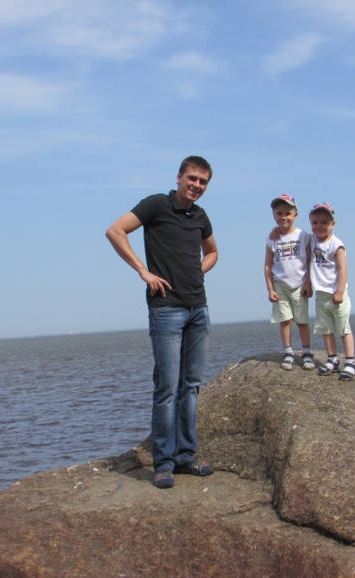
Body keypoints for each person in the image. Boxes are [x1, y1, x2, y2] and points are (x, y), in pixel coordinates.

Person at [105, 156, 218, 489]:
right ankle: (164, 463)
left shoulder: (200, 216)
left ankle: (186, 456)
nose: (197, 185)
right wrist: (143, 271)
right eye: (192, 178)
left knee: (191, 386)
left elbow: (212, 252)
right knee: (167, 387)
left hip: (198, 309)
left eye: (203, 181)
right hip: (166, 309)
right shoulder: (157, 205)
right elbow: (115, 231)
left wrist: (197, 271)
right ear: (179, 177)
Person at [304, 202, 355, 380]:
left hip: (336, 293)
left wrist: (339, 291)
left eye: (324, 222)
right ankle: (332, 359)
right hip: (321, 294)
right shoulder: (311, 240)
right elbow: (291, 233)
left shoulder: (336, 244)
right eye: (315, 222)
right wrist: (308, 285)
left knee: (343, 328)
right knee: (325, 329)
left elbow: (343, 268)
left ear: (333, 224)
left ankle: (350, 362)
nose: (319, 226)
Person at [264, 194, 313, 371]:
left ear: (295, 215)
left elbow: (310, 261)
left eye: (287, 213)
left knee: (302, 320)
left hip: (300, 284)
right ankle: (288, 352)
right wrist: (270, 289)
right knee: (285, 320)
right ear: (274, 216)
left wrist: (309, 283)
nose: (283, 217)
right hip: (280, 284)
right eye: (279, 213)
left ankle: (306, 352)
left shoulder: (303, 235)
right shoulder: (272, 239)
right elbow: (268, 265)